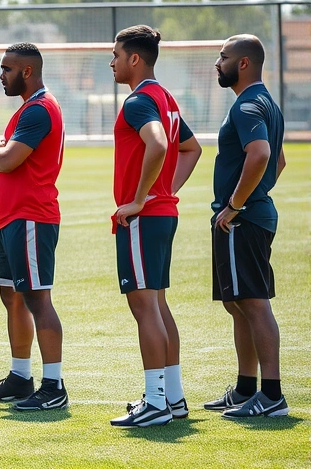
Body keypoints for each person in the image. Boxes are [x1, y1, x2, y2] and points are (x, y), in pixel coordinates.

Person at [107, 25, 202, 427]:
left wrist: (142, 197)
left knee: (144, 306)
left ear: (134, 59)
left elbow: (160, 144)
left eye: (116, 54)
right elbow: (191, 148)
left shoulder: (139, 100)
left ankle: (157, 403)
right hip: (161, 215)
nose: (111, 62)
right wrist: (165, 189)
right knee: (158, 305)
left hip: (144, 218)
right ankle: (173, 398)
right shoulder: (166, 97)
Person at [0, 43, 68, 411]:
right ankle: (19, 377)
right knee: (11, 296)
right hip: (12, 218)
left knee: (36, 298)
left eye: (7, 69)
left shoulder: (40, 110)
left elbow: (7, 159)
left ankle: (53, 386)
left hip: (32, 217)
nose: (1, 75)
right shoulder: (27, 110)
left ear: (27, 71)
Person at [205, 34, 288, 418]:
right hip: (250, 216)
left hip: (244, 220)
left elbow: (263, 154)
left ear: (243, 63)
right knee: (239, 304)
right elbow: (280, 162)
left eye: (223, 58)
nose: (217, 64)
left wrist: (236, 205)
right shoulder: (267, 103)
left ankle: (271, 396)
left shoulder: (247, 105)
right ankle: (245, 389)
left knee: (253, 303)